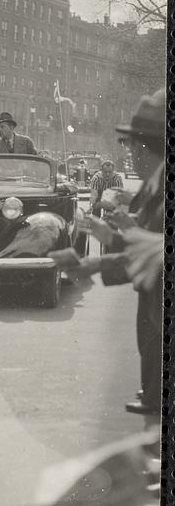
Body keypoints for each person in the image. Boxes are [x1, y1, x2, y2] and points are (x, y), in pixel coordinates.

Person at [50, 88, 165, 417]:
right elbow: (145, 243)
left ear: (146, 147)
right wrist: (107, 234)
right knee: (149, 345)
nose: (130, 153)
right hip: (151, 298)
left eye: (132, 145)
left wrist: (93, 262)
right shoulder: (152, 185)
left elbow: (154, 252)